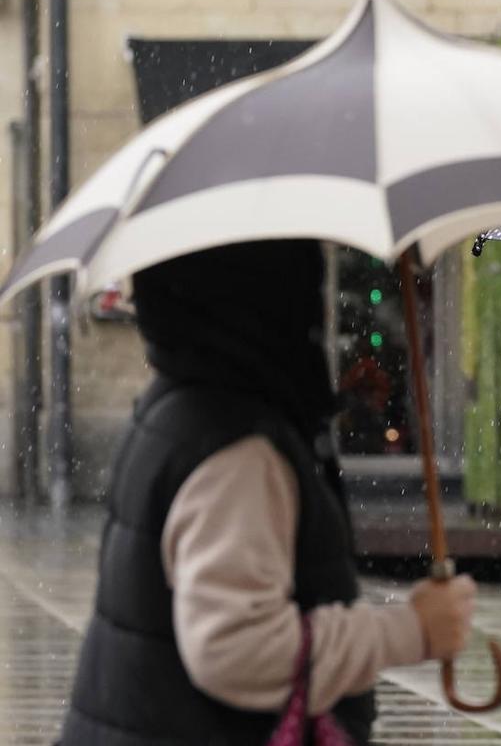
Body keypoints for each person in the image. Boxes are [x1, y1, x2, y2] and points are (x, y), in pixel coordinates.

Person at [59, 240, 477, 746]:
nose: (315, 306)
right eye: (304, 282)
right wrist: (412, 629)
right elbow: (238, 650)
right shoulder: (238, 451)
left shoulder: (183, 404)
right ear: (266, 296)